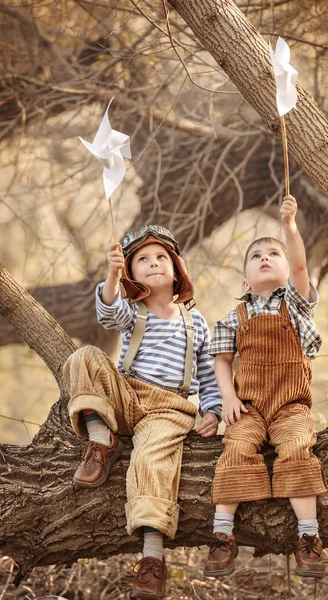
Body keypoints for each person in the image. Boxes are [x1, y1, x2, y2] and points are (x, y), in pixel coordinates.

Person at [63, 225, 222, 600]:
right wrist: (112, 272)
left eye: (160, 257)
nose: (152, 263)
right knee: (82, 357)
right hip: (128, 394)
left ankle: (152, 559)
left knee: (151, 461)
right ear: (132, 273)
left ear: (176, 268)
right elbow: (106, 311)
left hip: (168, 407)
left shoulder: (195, 322)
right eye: (142, 260)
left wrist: (213, 410)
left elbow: (209, 372)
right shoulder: (131, 312)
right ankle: (102, 440)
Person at [203, 195, 327, 579]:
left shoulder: (295, 302)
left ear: (288, 271)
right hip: (250, 405)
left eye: (273, 254)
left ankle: (309, 538)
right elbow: (222, 360)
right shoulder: (233, 316)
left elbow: (302, 263)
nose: (264, 258)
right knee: (236, 447)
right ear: (245, 280)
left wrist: (289, 227)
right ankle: (222, 537)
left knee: (296, 448)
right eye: (256, 256)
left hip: (291, 404)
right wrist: (227, 397)